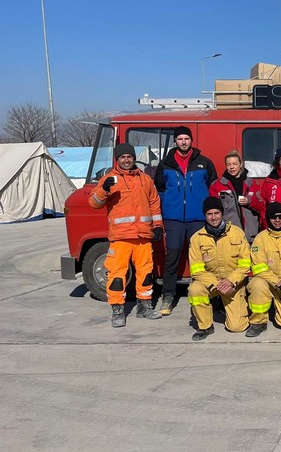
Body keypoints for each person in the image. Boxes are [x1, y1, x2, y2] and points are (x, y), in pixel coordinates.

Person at [89, 143, 164, 327]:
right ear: (117, 159)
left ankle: (144, 308)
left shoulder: (145, 179)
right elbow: (94, 203)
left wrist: (158, 226)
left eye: (129, 156)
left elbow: (154, 202)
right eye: (122, 157)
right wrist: (103, 189)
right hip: (121, 237)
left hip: (143, 236)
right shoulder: (110, 179)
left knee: (146, 273)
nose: (126, 160)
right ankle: (117, 311)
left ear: (133, 158)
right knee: (116, 275)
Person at [154, 126, 217, 316]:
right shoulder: (165, 164)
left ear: (191, 141)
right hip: (173, 219)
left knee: (202, 258)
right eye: (180, 139)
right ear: (175, 141)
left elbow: (212, 188)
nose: (183, 142)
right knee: (171, 256)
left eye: (186, 139)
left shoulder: (204, 163)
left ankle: (210, 294)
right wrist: (167, 206)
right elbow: (159, 190)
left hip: (198, 218)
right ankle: (167, 296)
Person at [186, 196, 251, 341]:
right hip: (211, 283)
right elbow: (197, 270)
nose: (213, 217)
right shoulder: (197, 238)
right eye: (209, 214)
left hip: (233, 284)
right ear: (205, 216)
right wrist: (217, 284)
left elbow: (245, 264)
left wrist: (230, 281)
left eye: (216, 213)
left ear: (222, 214)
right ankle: (205, 326)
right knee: (195, 289)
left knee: (236, 327)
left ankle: (227, 305)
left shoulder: (237, 232)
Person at [246, 202, 281, 337]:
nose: (277, 220)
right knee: (257, 284)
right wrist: (278, 283)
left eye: (280, 217)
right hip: (269, 284)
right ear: (267, 218)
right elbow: (259, 268)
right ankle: (258, 322)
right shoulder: (260, 239)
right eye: (273, 217)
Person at [209, 150, 261, 241]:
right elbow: (213, 211)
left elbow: (262, 207)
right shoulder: (217, 185)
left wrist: (249, 201)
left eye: (234, 164)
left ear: (241, 164)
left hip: (251, 236)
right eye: (228, 164)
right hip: (229, 236)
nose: (231, 167)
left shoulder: (252, 184)